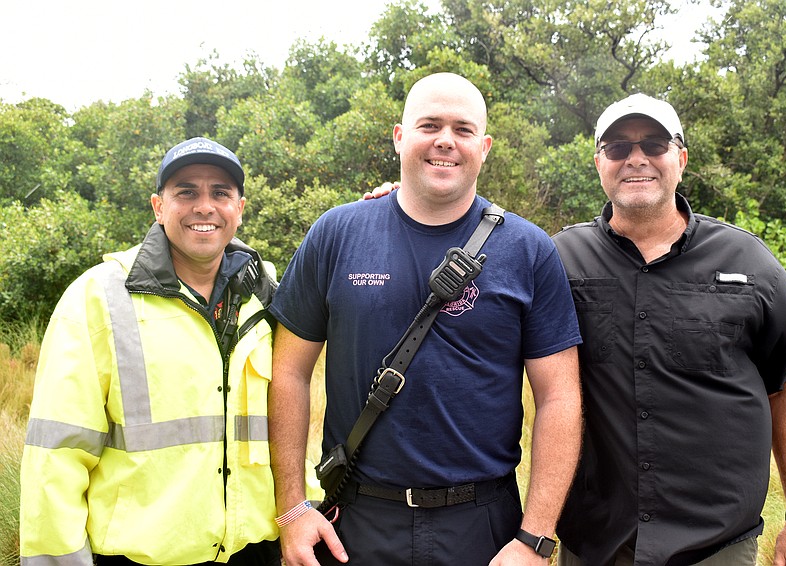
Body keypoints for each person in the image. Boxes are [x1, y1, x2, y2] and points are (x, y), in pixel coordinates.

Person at [267, 72, 583, 565]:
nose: (445, 141)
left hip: (483, 527)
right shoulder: (336, 233)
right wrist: (291, 509)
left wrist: (535, 538)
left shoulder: (529, 249)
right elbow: (288, 372)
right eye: (429, 125)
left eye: (463, 129)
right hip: (354, 523)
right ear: (399, 137)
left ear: (484, 147)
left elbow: (560, 397)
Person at [551, 94, 786, 565]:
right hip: (596, 542)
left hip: (716, 545)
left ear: (681, 158)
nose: (636, 158)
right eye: (618, 147)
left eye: (654, 144)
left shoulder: (750, 262)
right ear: (598, 163)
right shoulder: (557, 260)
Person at [19, 138, 281, 565]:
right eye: (186, 192)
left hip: (254, 551)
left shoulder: (267, 295)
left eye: (220, 193)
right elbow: (57, 454)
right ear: (158, 207)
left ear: (240, 208)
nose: (205, 206)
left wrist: (389, 206)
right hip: (138, 559)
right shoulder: (98, 297)